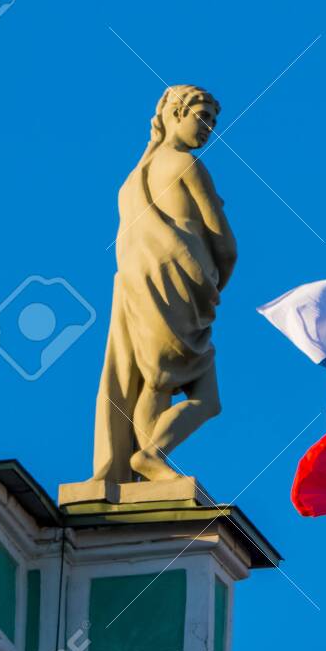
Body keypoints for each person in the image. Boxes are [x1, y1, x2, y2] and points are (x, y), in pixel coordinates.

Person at [91, 84, 237, 483]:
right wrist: (212, 284)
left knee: (152, 382)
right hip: (179, 290)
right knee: (203, 399)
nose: (208, 128)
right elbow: (224, 243)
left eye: (212, 121)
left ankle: (144, 465)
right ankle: (151, 455)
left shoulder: (135, 176)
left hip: (140, 288)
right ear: (176, 113)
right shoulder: (186, 166)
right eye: (202, 116)